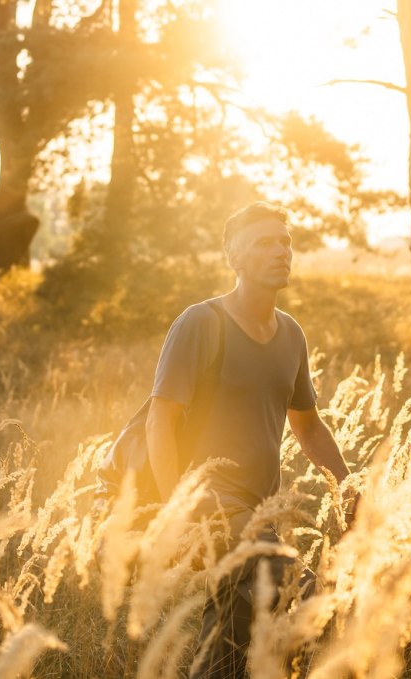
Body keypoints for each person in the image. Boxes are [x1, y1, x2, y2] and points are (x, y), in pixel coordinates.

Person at [147, 202, 356, 678]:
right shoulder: (202, 323)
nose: (280, 251)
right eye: (264, 242)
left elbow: (308, 426)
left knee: (228, 641)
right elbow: (159, 421)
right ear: (233, 256)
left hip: (261, 513)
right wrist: (174, 512)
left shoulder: (291, 335)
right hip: (211, 505)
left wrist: (348, 488)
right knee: (306, 594)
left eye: (285, 242)